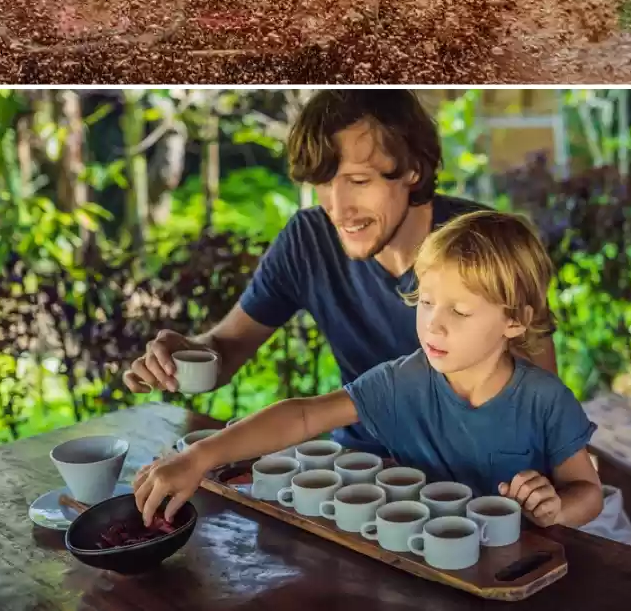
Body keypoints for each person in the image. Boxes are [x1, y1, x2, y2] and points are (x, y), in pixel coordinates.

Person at [122, 89, 559, 457]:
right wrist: (186, 356)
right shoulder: (308, 240)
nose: (338, 206)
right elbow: (227, 350)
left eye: (358, 181)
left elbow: (540, 403)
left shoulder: (482, 246)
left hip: (472, 481)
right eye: (324, 182)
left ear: (413, 170)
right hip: (358, 473)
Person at [133, 211, 606, 532]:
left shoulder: (546, 399)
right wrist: (199, 457)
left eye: (460, 311)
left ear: (514, 321)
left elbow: (588, 491)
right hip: (424, 559)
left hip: (522, 564)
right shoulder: (402, 381)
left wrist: (557, 507)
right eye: (425, 302)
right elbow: (302, 416)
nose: (433, 323)